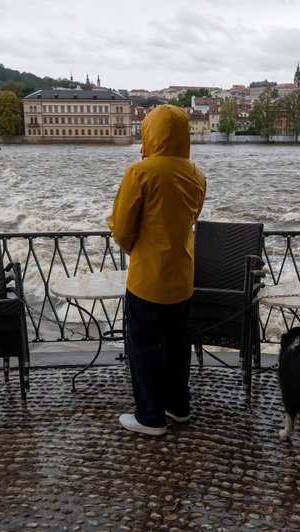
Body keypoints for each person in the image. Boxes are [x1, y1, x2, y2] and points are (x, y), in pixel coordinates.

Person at [108, 104, 207, 436]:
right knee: (178, 346)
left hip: (148, 279)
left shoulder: (140, 172)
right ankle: (178, 407)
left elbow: (122, 228)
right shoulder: (196, 174)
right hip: (183, 278)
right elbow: (189, 219)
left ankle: (150, 417)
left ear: (150, 132)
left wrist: (140, 249)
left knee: (144, 346)